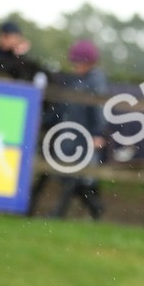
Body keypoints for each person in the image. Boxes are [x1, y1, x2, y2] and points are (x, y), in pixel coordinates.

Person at [49, 40, 109, 220]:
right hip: (72, 135)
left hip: (85, 136)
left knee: (78, 178)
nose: (75, 67)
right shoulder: (77, 80)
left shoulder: (95, 82)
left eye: (79, 63)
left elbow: (99, 109)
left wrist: (98, 133)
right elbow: (65, 107)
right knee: (71, 177)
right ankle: (95, 208)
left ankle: (61, 213)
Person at [0, 20, 46, 84]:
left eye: (6, 36)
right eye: (1, 35)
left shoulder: (26, 59)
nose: (2, 39)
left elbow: (32, 75)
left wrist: (20, 55)